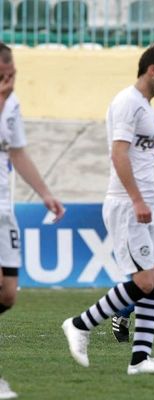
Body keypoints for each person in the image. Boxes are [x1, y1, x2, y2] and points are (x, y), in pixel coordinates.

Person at [62, 44, 154, 375]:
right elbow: (118, 154)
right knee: (144, 281)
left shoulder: (145, 107)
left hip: (147, 203)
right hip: (129, 204)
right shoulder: (127, 102)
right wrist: (137, 200)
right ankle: (79, 324)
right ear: (153, 70)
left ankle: (141, 359)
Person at [0, 42, 64, 398]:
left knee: (8, 295)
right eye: (1, 74)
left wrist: (45, 193)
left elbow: (17, 152)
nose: (7, 80)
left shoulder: (13, 103)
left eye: (12, 74)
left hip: (4, 210)